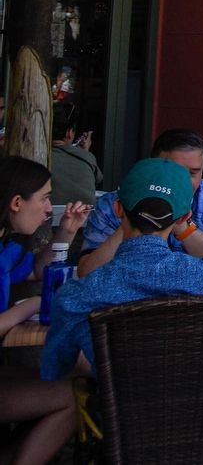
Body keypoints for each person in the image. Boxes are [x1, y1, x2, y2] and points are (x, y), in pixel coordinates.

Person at [42, 158, 203, 379]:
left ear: (118, 210)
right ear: (184, 217)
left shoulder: (78, 296)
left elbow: (55, 370)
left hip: (121, 424)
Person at [0, 157, 87, 465]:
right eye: (46, 198)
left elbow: (37, 271)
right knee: (69, 397)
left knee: (63, 383)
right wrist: (36, 304)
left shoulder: (5, 248)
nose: (50, 209)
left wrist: (65, 233)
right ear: (15, 202)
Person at [78, 129, 203, 277]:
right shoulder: (115, 203)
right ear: (153, 166)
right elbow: (88, 273)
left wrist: (183, 227)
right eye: (173, 172)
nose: (182, 182)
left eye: (193, 173)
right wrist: (131, 219)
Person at [47, 103, 98, 207]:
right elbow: (95, 180)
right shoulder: (87, 158)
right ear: (69, 133)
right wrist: (85, 152)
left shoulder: (36, 157)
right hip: (81, 220)